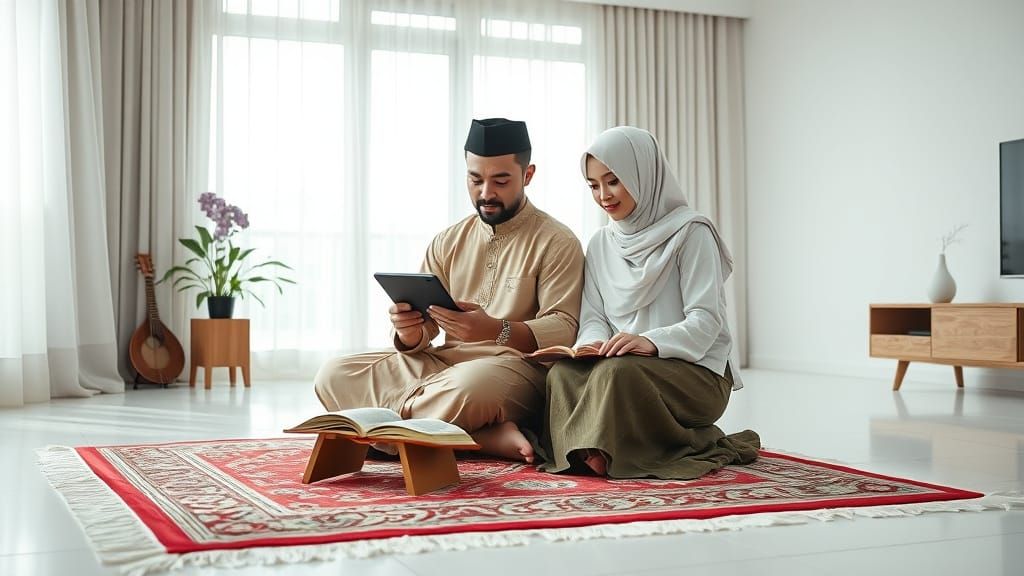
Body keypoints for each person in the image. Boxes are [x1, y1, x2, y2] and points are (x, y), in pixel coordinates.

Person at [314, 118, 585, 461]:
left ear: (527, 175)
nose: (486, 193)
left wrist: (495, 330)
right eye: (475, 180)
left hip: (512, 370)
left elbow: (564, 326)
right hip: (442, 365)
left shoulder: (557, 241)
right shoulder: (449, 240)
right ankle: (479, 437)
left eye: (501, 180)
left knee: (471, 390)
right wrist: (410, 332)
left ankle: (387, 433)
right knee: (334, 374)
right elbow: (426, 329)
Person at [532, 126, 760, 479]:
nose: (603, 195)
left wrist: (651, 342)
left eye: (613, 181)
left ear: (643, 175)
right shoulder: (600, 245)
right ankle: (590, 450)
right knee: (563, 374)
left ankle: (618, 449)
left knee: (618, 373)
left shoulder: (691, 232)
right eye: (593, 185)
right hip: (626, 370)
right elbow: (594, 317)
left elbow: (705, 321)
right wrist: (588, 346)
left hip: (696, 373)